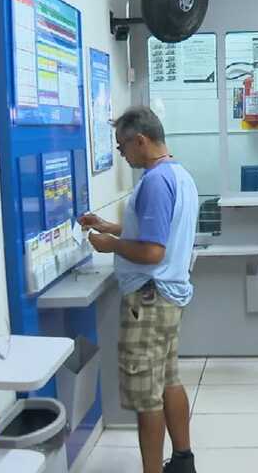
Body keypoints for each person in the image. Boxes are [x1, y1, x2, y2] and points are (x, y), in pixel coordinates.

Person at [79, 106, 199, 473]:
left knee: (148, 398)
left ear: (141, 140)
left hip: (148, 300)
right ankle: (182, 460)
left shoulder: (153, 182)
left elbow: (151, 251)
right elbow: (150, 233)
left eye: (122, 147)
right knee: (168, 381)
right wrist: (110, 227)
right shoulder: (179, 175)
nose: (121, 154)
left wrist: (108, 244)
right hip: (168, 295)